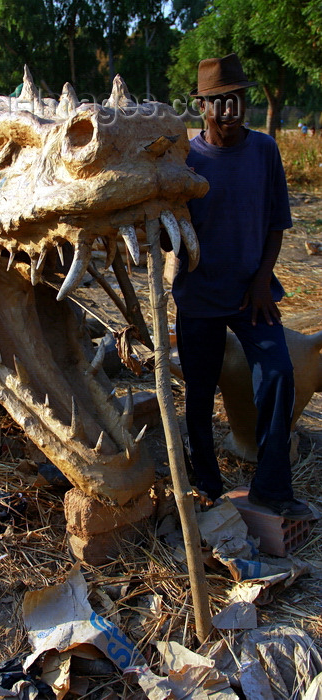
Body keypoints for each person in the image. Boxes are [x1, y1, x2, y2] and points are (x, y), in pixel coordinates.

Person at [172, 53, 313, 520]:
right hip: (198, 295)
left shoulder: (264, 151)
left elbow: (277, 224)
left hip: (253, 294)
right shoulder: (185, 158)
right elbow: (167, 226)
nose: (227, 110)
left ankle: (271, 487)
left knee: (277, 374)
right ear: (203, 106)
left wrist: (259, 283)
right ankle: (207, 485)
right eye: (217, 102)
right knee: (197, 391)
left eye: (235, 99)